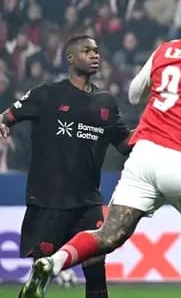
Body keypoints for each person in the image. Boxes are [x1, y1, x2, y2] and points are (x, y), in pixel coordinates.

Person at [19, 0, 181, 298]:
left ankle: (54, 261)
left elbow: (135, 92)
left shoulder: (164, 50)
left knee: (109, 234)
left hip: (142, 156)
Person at [1, 35, 130, 298]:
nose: (95, 55)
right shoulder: (46, 94)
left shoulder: (105, 102)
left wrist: (159, 133)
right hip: (48, 199)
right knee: (43, 271)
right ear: (70, 58)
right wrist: (2, 123)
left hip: (87, 201)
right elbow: (8, 116)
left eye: (97, 50)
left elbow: (126, 143)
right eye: (87, 51)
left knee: (96, 271)